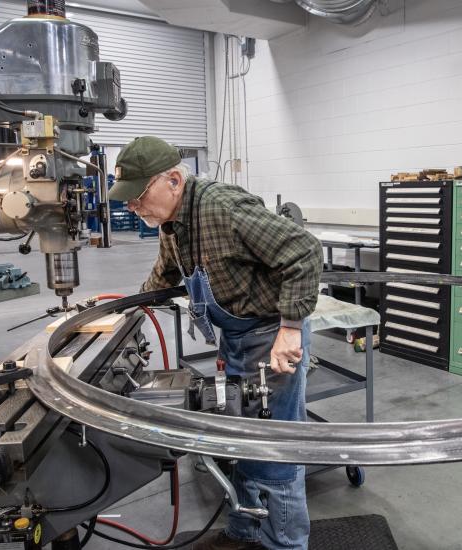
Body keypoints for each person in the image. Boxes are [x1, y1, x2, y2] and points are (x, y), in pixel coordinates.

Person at [108, 136, 323, 550]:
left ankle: (288, 543)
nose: (132, 207)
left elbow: (304, 251)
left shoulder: (222, 208)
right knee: (236, 435)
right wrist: (130, 312)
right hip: (237, 338)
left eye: (138, 197)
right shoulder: (172, 222)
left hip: (271, 340)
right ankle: (244, 531)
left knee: (274, 449)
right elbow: (165, 272)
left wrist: (291, 328)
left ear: (173, 179)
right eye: (128, 200)